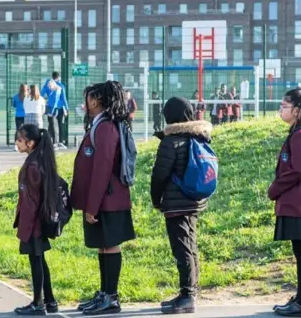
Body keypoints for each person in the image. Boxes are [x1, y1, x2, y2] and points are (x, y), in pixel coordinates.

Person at [70, 80, 135, 316]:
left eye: (87, 97)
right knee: (102, 246)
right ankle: (104, 293)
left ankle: (112, 296)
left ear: (95, 101)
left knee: (110, 245)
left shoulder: (106, 127)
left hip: (108, 200)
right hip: (101, 200)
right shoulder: (98, 125)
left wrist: (92, 206)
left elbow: (102, 169)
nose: (84, 101)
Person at [150, 96, 213, 315]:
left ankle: (187, 296)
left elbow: (159, 175)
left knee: (182, 248)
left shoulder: (172, 140)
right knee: (190, 246)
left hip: (176, 203)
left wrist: (156, 200)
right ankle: (189, 292)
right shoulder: (198, 136)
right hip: (193, 200)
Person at [267, 88, 301, 318]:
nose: (280, 109)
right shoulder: (300, 133)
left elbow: (298, 169)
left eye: (284, 106)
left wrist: (274, 189)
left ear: (298, 110)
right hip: (300, 205)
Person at [12, 124, 59, 315]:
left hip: (33, 223)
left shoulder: (32, 166)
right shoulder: (39, 160)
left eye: (20, 140)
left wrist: (27, 227)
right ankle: (50, 301)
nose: (17, 143)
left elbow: (31, 200)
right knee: (40, 259)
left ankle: (38, 304)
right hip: (39, 221)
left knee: (36, 261)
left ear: (30, 143)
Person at [41, 71, 69, 148]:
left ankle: (51, 141)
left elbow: (41, 94)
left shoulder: (47, 85)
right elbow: (64, 98)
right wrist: (67, 108)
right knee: (60, 124)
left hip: (49, 107)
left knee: (51, 125)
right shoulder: (60, 86)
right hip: (59, 108)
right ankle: (60, 141)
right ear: (58, 77)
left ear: (52, 76)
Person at [12, 84, 28, 151]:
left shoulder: (15, 96)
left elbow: (13, 105)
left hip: (18, 115)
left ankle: (16, 145)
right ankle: (26, 144)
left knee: (18, 130)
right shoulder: (28, 97)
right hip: (26, 115)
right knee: (26, 130)